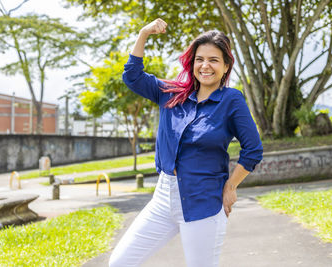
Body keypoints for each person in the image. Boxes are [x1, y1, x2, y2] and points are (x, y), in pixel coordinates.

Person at [109, 18, 263, 267]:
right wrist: (143, 33)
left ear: (225, 67)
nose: (205, 66)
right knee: (120, 262)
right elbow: (133, 76)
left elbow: (253, 150)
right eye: (200, 59)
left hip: (203, 202)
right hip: (163, 198)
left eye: (214, 60)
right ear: (192, 63)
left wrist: (231, 187)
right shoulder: (171, 93)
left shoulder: (232, 101)